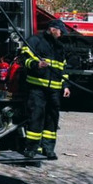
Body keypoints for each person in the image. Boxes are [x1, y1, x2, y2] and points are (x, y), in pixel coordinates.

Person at [18, 18, 70, 158]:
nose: (61, 35)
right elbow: (24, 59)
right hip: (37, 88)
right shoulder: (35, 41)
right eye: (60, 32)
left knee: (52, 120)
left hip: (55, 90)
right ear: (53, 29)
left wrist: (65, 86)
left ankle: (48, 149)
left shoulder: (60, 47)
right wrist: (36, 65)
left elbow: (63, 69)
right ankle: (32, 149)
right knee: (36, 118)